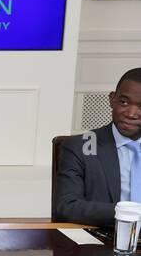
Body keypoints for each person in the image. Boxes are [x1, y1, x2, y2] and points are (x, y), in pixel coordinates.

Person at [54, 67, 141, 226]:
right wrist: (128, 213)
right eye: (124, 102)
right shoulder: (81, 146)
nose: (131, 113)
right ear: (112, 100)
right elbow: (67, 206)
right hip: (103, 241)